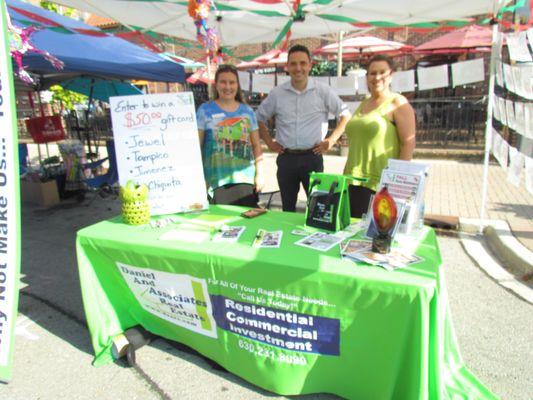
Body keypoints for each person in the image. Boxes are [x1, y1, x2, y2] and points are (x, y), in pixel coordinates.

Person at [257, 44, 351, 212]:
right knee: (287, 208)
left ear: (310, 65)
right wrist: (270, 143)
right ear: (287, 67)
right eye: (293, 63)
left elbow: (345, 114)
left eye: (302, 63)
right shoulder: (277, 94)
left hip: (312, 158)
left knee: (317, 209)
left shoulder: (322, 91)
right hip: (286, 159)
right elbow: (258, 118)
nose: (298, 68)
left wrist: (332, 140)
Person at [343, 54, 416, 218]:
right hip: (352, 181)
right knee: (351, 238)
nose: (377, 77)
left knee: (375, 239)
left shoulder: (398, 102)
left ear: (391, 76)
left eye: (382, 72)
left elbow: (408, 143)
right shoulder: (364, 103)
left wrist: (397, 183)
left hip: (379, 185)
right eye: (372, 73)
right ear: (367, 77)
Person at [196, 64, 264, 207]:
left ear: (237, 85)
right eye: (223, 82)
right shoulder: (204, 111)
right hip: (216, 182)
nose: (227, 86)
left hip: (245, 181)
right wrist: (199, 179)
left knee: (247, 225)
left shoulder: (247, 112)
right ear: (216, 85)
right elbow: (197, 147)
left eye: (232, 82)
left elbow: (257, 145)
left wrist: (260, 174)